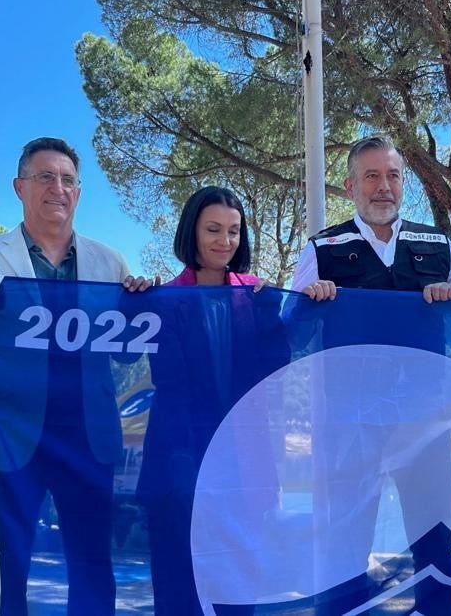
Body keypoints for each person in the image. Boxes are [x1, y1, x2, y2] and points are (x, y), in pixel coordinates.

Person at [0, 136, 154, 616]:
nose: (57, 188)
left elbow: (124, 356)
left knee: (92, 567)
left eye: (67, 179)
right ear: (19, 187)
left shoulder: (110, 263)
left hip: (90, 436)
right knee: (6, 568)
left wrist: (140, 307)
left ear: (78, 192)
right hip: (10, 438)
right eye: (44, 177)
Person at [291, 135, 451, 616]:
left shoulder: (439, 245)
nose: (383, 187)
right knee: (344, 548)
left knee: (435, 546)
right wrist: (310, 301)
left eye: (392, 176)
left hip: (425, 426)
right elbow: (288, 328)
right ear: (350, 186)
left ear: (403, 183)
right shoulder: (323, 249)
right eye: (371, 176)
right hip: (349, 431)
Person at [136, 186, 282, 614]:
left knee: (238, 588)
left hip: (243, 466)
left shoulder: (259, 296)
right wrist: (134, 297)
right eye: (213, 229)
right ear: (191, 232)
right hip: (177, 465)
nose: (225, 241)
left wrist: (298, 303)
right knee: (177, 588)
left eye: (234, 231)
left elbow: (280, 368)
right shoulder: (161, 298)